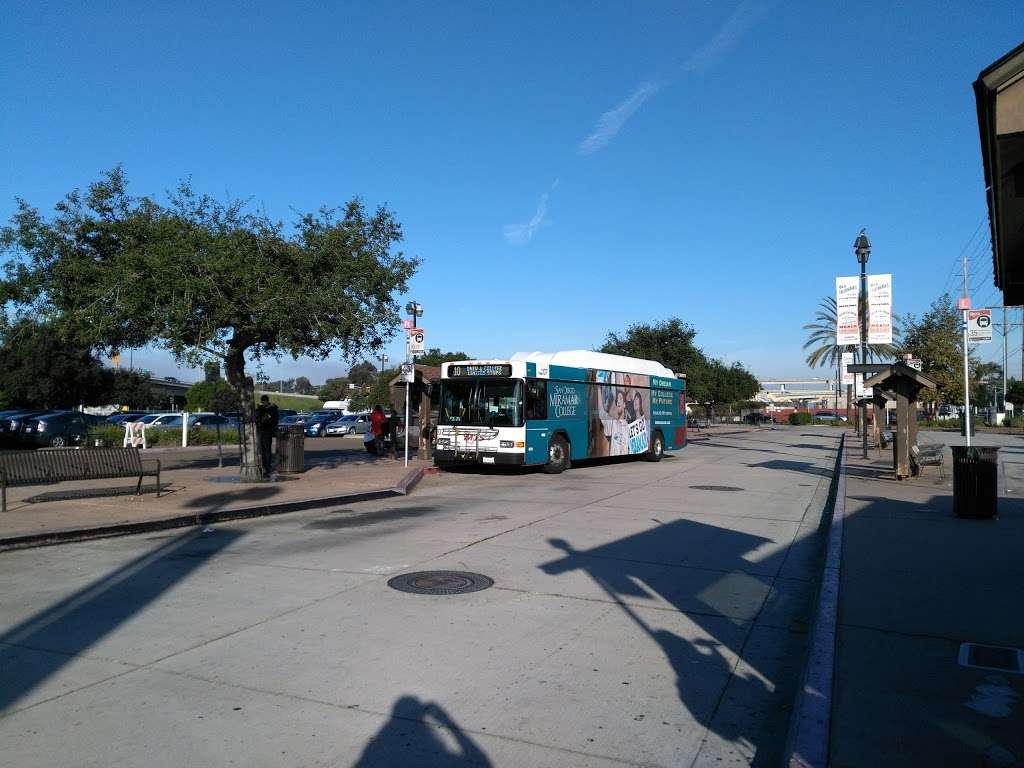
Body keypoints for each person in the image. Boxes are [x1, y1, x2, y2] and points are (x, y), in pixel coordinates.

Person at [255, 394, 279, 476]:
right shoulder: (273, 409)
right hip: (268, 431)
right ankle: (266, 466)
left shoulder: (269, 409)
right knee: (266, 450)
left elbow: (257, 419)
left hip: (263, 431)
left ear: (263, 401)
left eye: (263, 402)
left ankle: (266, 466)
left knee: (264, 450)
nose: (263, 403)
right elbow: (275, 420)